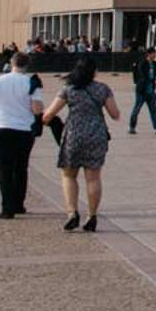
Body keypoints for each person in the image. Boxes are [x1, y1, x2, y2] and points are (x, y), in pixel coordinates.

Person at [39, 56, 119, 232]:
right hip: (95, 135)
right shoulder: (103, 89)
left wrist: (43, 121)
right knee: (93, 178)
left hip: (74, 134)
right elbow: (115, 114)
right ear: (93, 71)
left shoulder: (69, 89)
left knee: (69, 175)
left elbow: (48, 114)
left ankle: (72, 213)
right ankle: (92, 216)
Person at [0, 50, 41, 219]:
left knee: (4, 169)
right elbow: (37, 109)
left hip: (3, 128)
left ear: (12, 63)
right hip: (24, 130)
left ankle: (7, 208)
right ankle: (19, 203)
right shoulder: (31, 83)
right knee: (21, 168)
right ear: (26, 65)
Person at [127, 44, 156, 135]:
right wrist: (151, 81)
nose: (155, 55)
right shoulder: (142, 63)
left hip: (150, 91)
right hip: (142, 91)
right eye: (154, 53)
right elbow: (142, 76)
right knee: (137, 109)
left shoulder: (155, 64)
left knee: (153, 110)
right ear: (149, 54)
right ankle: (132, 127)